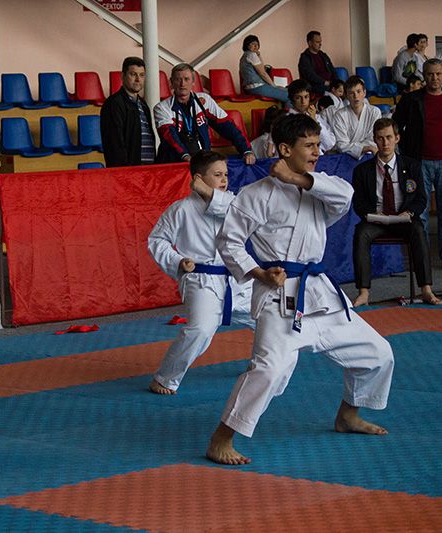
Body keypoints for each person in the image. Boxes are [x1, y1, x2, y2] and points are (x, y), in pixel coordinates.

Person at [205, 114, 394, 465]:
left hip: (321, 293)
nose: (317, 152)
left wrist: (294, 178)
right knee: (269, 369)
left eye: (318, 144)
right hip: (281, 295)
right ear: (284, 149)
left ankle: (348, 415)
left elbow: (346, 196)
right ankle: (222, 438)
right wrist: (259, 273)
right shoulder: (256, 195)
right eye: (309, 145)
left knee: (378, 353)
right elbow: (228, 241)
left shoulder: (319, 186)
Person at [147, 151, 253, 395]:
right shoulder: (182, 209)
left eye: (226, 174)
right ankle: (165, 378)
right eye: (217, 175)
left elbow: (243, 214)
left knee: (268, 317)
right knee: (201, 329)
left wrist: (211, 194)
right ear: (198, 178)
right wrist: (178, 261)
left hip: (236, 278)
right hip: (201, 280)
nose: (224, 180)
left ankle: (261, 364)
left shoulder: (234, 203)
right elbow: (157, 240)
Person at [351, 118, 442, 306]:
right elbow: (358, 202)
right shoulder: (362, 170)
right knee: (360, 233)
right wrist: (371, 215)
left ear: (397, 138)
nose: (385, 143)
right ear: (374, 140)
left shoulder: (412, 166)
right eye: (380, 138)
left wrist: (409, 213)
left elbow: (421, 199)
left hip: (404, 219)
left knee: (419, 230)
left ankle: (426, 289)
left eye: (389, 137)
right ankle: (363, 292)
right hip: (376, 220)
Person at [393, 58, 442, 270]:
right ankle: (422, 258)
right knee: (421, 213)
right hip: (420, 163)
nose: (434, 78)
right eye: (430, 74)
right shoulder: (411, 100)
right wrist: (407, 154)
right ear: (424, 76)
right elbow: (396, 125)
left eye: (438, 74)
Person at [154, 63, 255, 165]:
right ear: (171, 82)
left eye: (186, 79)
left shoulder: (205, 101)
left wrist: (246, 150)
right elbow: (170, 137)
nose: (182, 84)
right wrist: (185, 156)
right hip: (172, 164)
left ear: (193, 82)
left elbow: (228, 127)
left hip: (201, 162)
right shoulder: (162, 108)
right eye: (178, 79)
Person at [100, 56, 156, 167]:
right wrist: (125, 171)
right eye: (133, 74)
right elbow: (114, 144)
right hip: (129, 170)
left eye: (142, 75)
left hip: (148, 168)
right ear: (123, 76)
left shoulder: (143, 104)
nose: (138, 79)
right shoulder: (114, 104)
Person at [332, 76, 381, 159]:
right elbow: (342, 144)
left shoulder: (374, 112)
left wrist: (354, 148)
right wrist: (364, 148)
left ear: (364, 92)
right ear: (346, 95)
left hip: (369, 155)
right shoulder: (339, 115)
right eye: (351, 93)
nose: (356, 96)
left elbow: (373, 139)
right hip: (346, 156)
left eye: (359, 91)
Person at [287, 79, 336, 153]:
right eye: (298, 98)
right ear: (292, 99)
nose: (303, 102)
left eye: (306, 97)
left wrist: (314, 120)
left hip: (319, 157)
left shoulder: (315, 117)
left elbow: (329, 144)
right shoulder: (287, 120)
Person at [239, 35, 290, 105]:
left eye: (257, 44)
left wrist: (259, 55)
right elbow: (263, 73)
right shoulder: (252, 55)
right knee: (290, 96)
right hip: (257, 87)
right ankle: (290, 112)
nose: (256, 46)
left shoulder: (243, 56)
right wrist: (274, 86)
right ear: (247, 45)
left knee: (284, 90)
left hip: (249, 88)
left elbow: (261, 67)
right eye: (253, 44)